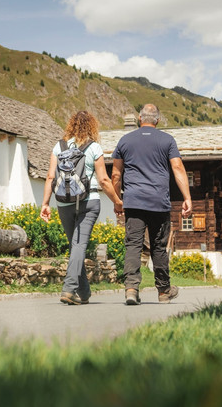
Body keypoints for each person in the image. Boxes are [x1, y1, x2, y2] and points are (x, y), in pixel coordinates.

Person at [111, 104, 192, 305]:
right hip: (159, 202)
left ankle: (131, 289)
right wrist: (187, 197)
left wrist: (117, 201)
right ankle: (164, 291)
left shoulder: (125, 140)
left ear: (140, 118)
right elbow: (178, 168)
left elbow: (115, 174)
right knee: (158, 247)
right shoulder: (167, 140)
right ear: (157, 120)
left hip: (133, 201)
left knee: (133, 245)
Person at [40, 110, 122, 305]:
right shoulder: (94, 147)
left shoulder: (58, 146)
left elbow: (51, 177)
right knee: (79, 245)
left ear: (71, 125)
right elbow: (103, 179)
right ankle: (69, 289)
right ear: (92, 126)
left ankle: (84, 293)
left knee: (76, 245)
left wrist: (45, 203)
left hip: (63, 202)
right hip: (89, 201)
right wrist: (117, 201)